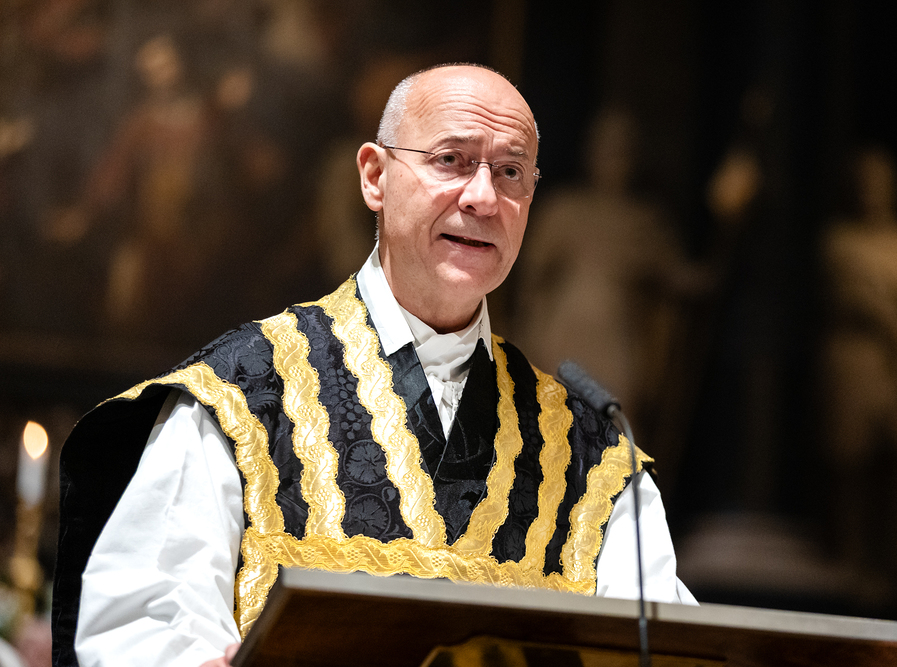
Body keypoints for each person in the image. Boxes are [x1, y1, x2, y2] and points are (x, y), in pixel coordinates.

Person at [52, 64, 695, 667]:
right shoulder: (241, 395)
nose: (483, 197)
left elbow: (669, 649)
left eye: (510, 172)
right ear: (374, 177)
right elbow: (145, 628)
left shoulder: (592, 455)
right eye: (451, 160)